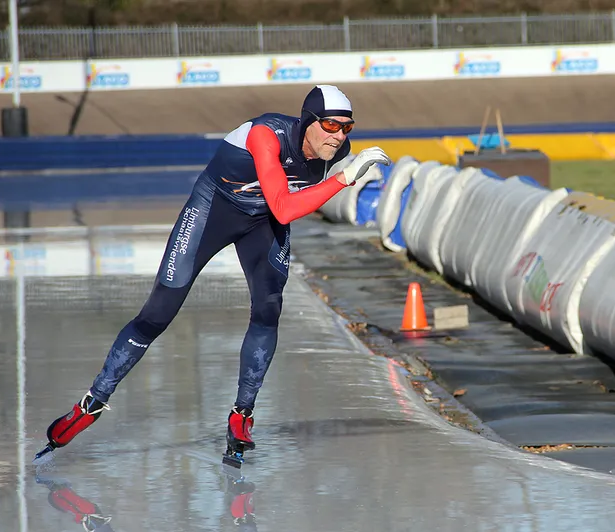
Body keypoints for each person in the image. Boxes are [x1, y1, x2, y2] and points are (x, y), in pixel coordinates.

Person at [34, 84, 390, 467]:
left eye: (347, 129)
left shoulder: (336, 152)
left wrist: (338, 176)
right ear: (307, 122)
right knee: (158, 314)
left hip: (261, 223)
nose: (339, 137)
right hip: (212, 211)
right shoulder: (265, 135)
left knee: (269, 309)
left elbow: (287, 208)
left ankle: (242, 414)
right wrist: (343, 179)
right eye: (331, 126)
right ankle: (92, 402)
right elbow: (286, 208)